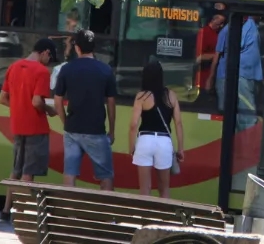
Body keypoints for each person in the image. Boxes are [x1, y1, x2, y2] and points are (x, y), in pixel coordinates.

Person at [0, 38, 58, 223]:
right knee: (28, 173)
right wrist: (51, 111)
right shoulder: (41, 71)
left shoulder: (14, 67)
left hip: (17, 125)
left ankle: (6, 211)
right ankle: (21, 215)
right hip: (35, 127)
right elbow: (37, 102)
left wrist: (18, 108)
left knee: (15, 171)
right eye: (50, 57)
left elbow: (2, 98)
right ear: (45, 52)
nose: (49, 61)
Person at [54, 29, 118, 190]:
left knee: (70, 174)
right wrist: (112, 130)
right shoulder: (105, 70)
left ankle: (69, 214)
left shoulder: (66, 69)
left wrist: (65, 123)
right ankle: (105, 213)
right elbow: (111, 103)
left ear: (77, 48)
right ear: (94, 48)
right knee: (105, 176)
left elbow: (57, 100)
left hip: (72, 130)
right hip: (96, 130)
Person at [129, 61, 184, 198]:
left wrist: (131, 146)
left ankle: (144, 218)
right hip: (164, 142)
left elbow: (133, 125)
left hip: (145, 140)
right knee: (164, 189)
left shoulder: (141, 97)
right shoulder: (171, 95)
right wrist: (181, 148)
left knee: (145, 189)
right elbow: (178, 123)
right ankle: (163, 219)